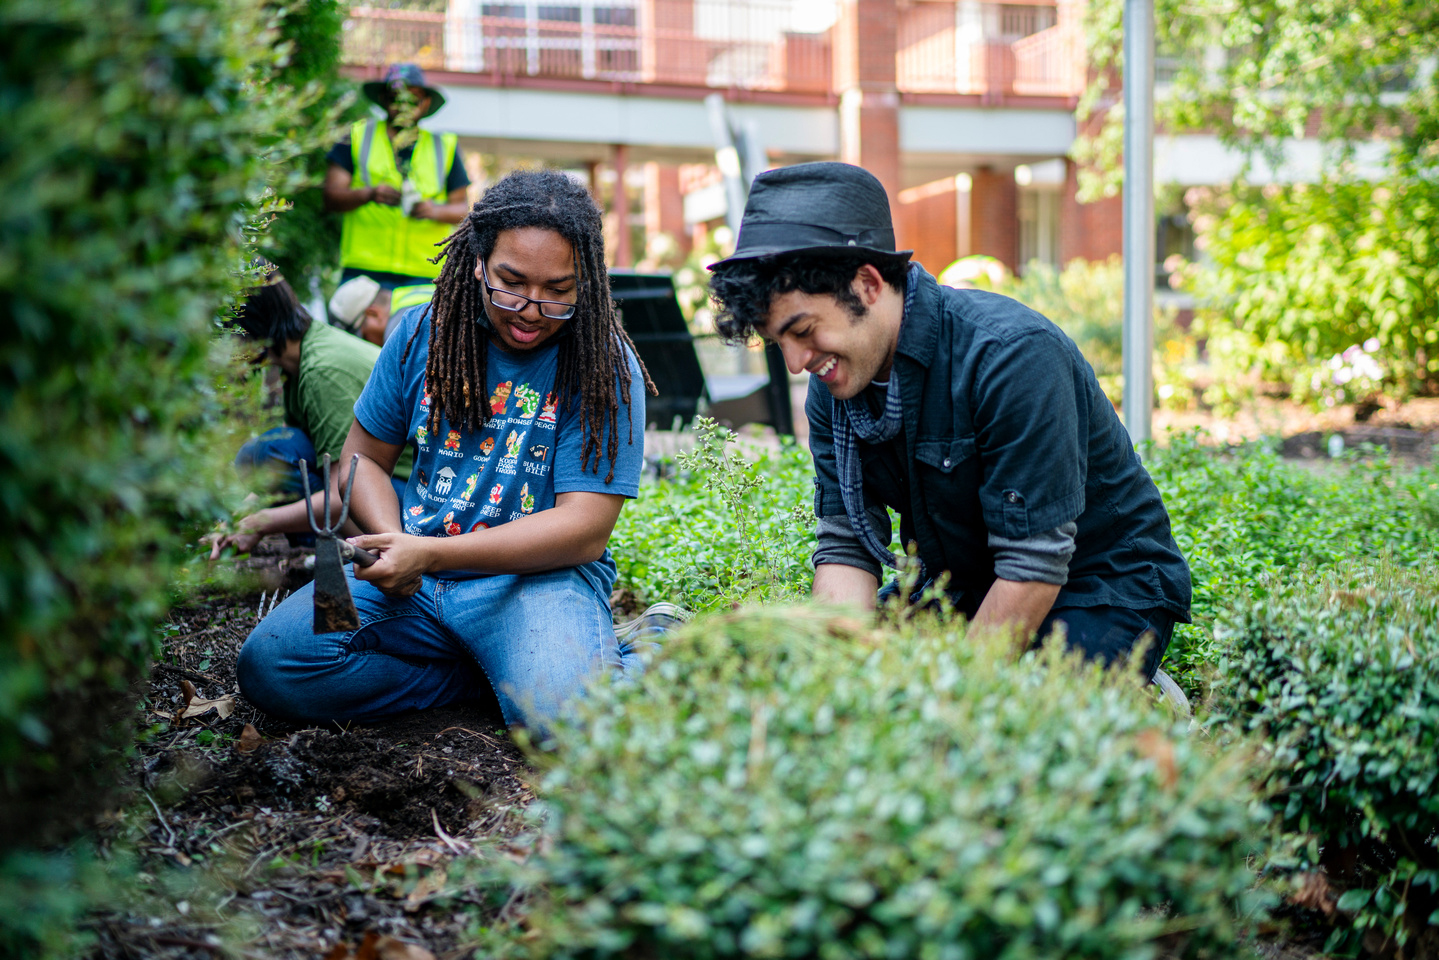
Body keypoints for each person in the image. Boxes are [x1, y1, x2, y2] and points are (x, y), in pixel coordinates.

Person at [706, 163, 1191, 679]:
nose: (797, 363)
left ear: (868, 284)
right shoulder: (836, 383)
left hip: (1100, 587)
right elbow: (847, 544)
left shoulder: (1013, 357)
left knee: (1012, 725)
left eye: (803, 330)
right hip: (960, 586)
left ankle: (1141, 693)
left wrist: (952, 696)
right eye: (781, 342)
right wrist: (836, 675)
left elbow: (1035, 566)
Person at [237, 170, 659, 731]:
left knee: (565, 724)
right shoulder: (419, 333)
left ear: (586, 282)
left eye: (559, 290)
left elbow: (584, 528)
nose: (532, 309)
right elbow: (359, 464)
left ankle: (651, 642)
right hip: (415, 574)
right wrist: (398, 544)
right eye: (511, 282)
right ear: (479, 261)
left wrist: (431, 554)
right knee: (274, 665)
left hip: (536, 581)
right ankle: (490, 679)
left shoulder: (604, 365)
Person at [213, 264, 409, 558]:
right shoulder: (302, 360)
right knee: (273, 451)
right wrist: (240, 517)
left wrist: (260, 524)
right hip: (382, 481)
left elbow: (341, 495)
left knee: (265, 453)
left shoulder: (322, 372)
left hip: (406, 492)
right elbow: (296, 459)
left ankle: (373, 553)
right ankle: (323, 549)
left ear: (251, 330)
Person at [322, 63, 471, 289]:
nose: (404, 106)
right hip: (364, 269)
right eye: (396, 97)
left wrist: (433, 211)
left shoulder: (445, 146)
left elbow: (462, 209)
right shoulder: (356, 136)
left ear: (426, 103)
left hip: (424, 273)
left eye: (413, 99)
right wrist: (368, 194)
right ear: (383, 99)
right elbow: (330, 196)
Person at [327, 274, 436, 347]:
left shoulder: (399, 330)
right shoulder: (412, 293)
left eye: (364, 338)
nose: (367, 346)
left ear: (373, 313)